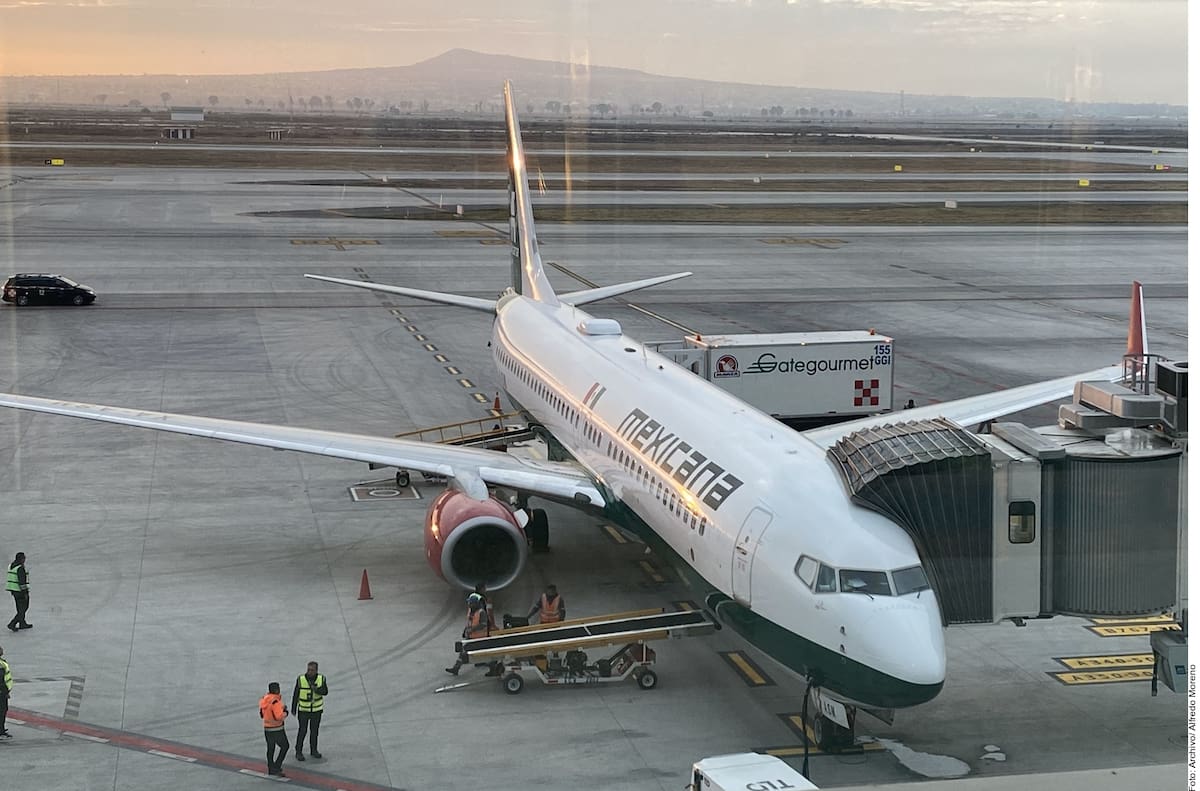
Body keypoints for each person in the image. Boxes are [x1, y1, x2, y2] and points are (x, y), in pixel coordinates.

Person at [291, 661, 327, 761]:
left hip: (316, 710)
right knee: (302, 731)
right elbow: (296, 694)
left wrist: (317, 690)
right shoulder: (301, 679)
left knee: (314, 731)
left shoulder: (321, 679)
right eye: (308, 670)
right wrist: (293, 708)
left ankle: (314, 750)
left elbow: (325, 691)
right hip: (303, 710)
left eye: (312, 670)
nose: (309, 672)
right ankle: (298, 751)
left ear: (316, 670)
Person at [445, 597, 491, 676]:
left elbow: (483, 624)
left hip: (479, 638)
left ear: (475, 604)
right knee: (464, 651)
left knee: (465, 651)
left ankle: (456, 668)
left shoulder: (481, 612)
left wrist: (472, 629)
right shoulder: (471, 611)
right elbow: (470, 622)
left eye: (470, 603)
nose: (469, 604)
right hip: (471, 637)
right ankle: (456, 668)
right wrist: (465, 630)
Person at [258, 681, 289, 777]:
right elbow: (279, 716)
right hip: (277, 729)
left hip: (267, 728)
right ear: (276, 690)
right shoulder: (276, 702)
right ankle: (277, 765)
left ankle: (271, 767)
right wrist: (285, 712)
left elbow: (262, 714)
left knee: (270, 748)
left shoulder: (264, 700)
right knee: (285, 746)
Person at [6, 553, 30, 632]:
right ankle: (12, 624)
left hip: (14, 590)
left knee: (20, 608)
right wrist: (25, 593)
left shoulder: (11, 566)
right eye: (24, 558)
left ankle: (22, 623)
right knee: (23, 608)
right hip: (20, 592)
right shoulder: (20, 568)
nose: (25, 559)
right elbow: (22, 582)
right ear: (21, 559)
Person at [0, 645, 12, 738]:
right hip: (1, 692)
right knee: (2, 711)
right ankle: (1, 731)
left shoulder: (1, 662)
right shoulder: (1, 665)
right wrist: (5, 692)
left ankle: (2, 729)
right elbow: (1, 680)